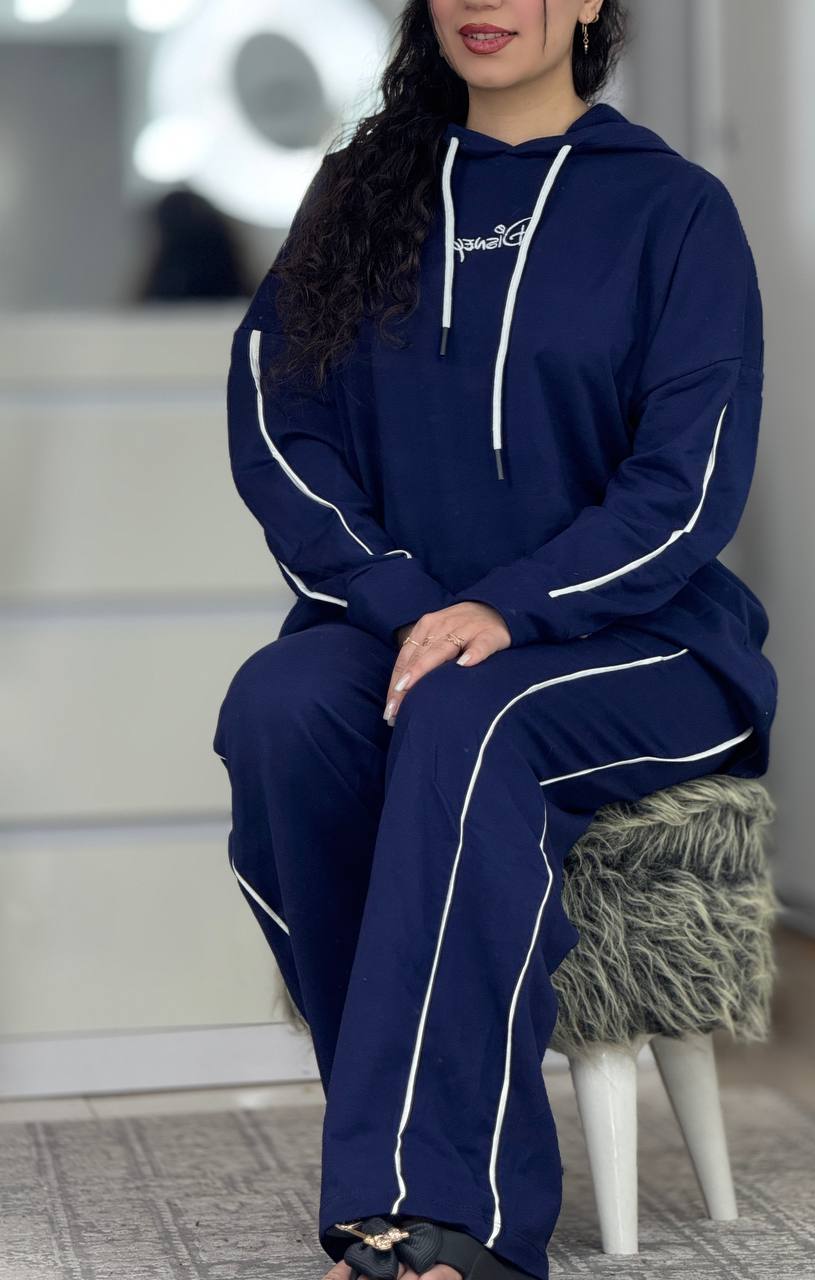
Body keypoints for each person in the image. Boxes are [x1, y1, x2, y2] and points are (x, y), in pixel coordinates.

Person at [211, 3, 778, 1279]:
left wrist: (514, 607)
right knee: (282, 707)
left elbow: (685, 483)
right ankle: (414, 1150)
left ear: (588, 4)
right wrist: (400, 596)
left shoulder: (674, 211)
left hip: (641, 640)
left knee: (475, 714)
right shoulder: (363, 194)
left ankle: (440, 1214)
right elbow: (277, 420)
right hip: (412, 623)